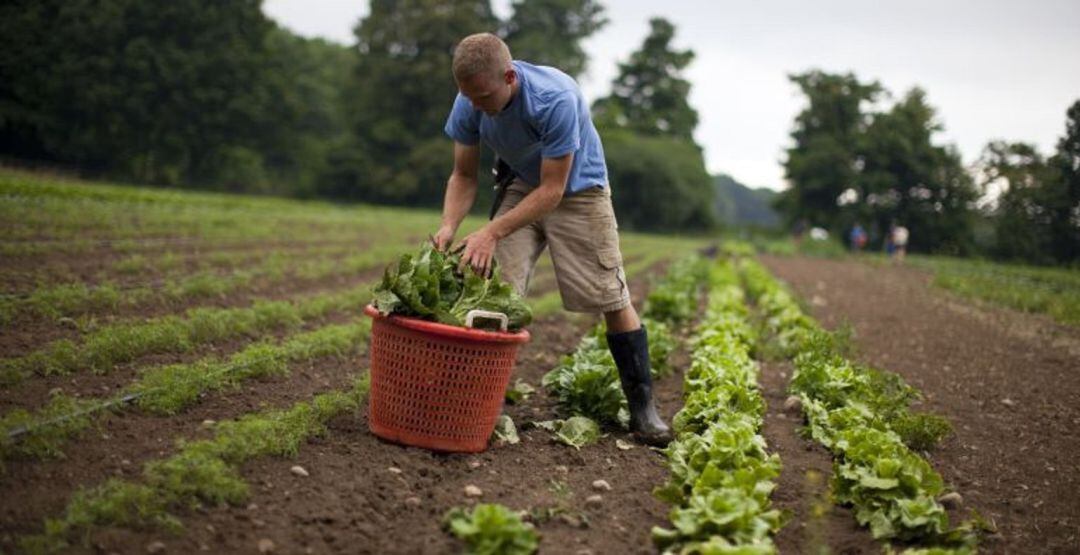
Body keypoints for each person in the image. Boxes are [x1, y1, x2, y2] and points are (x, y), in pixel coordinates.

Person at [430, 33, 671, 446]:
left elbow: (553, 191)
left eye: (484, 96)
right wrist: (450, 225)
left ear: (509, 76)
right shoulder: (470, 99)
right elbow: (464, 175)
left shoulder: (554, 98)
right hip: (522, 185)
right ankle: (473, 406)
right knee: (492, 294)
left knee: (609, 296)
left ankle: (643, 410)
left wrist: (490, 230)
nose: (476, 105)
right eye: (468, 96)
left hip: (579, 191)